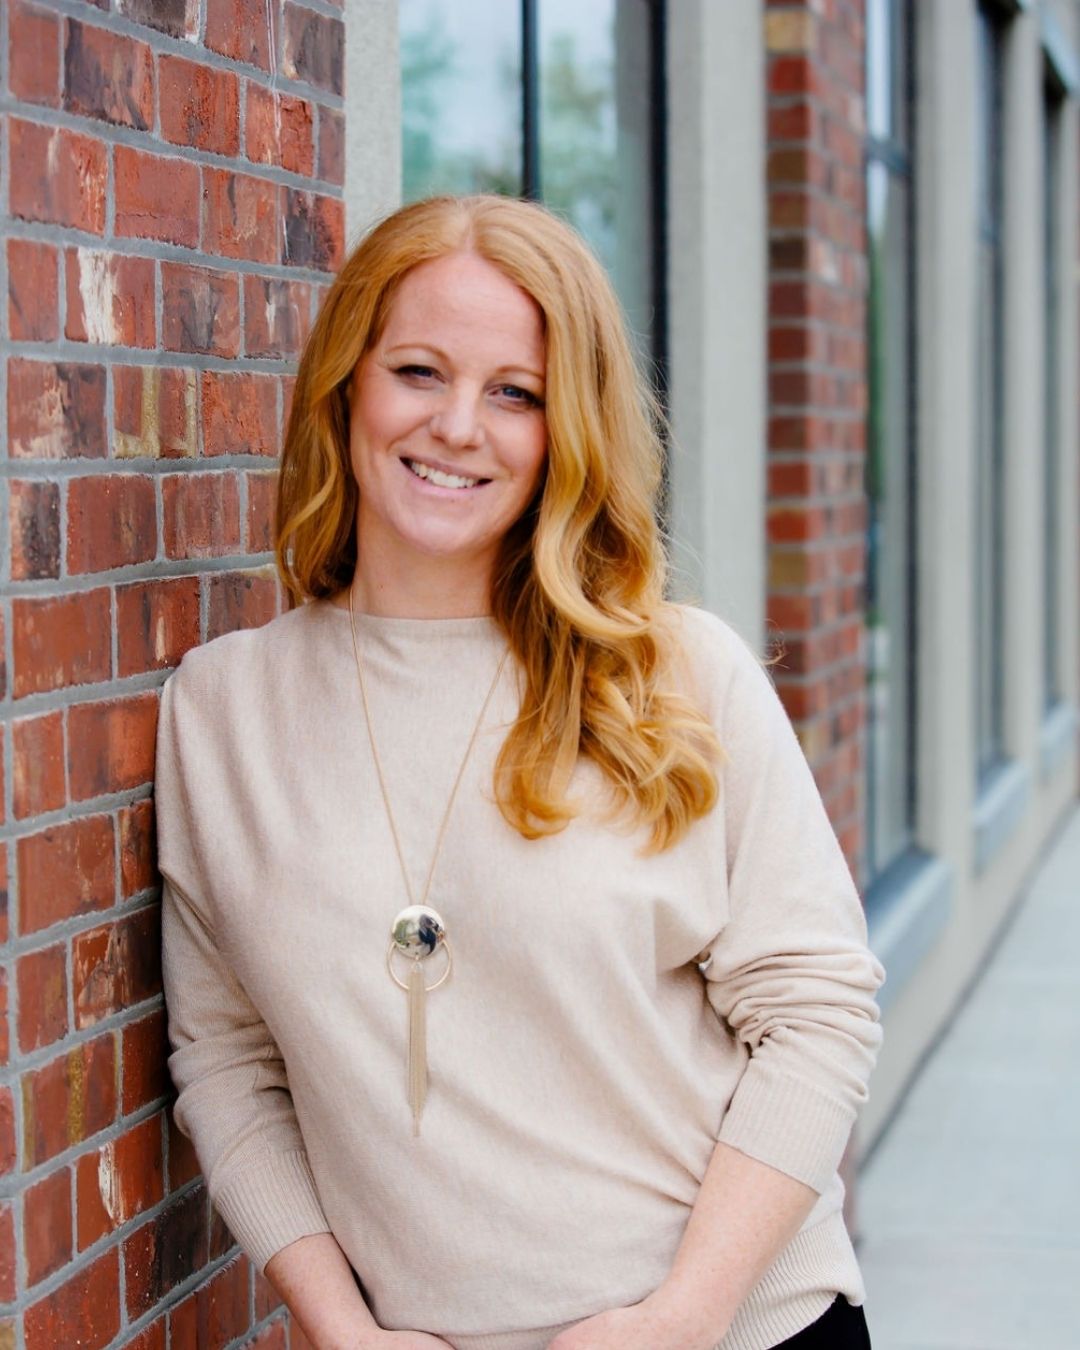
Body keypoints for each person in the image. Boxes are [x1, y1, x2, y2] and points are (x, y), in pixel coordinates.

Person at [157, 194, 884, 1350]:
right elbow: (228, 1063)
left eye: (516, 394)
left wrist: (685, 1318)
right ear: (346, 383)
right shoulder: (222, 709)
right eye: (418, 371)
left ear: (566, 429)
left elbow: (818, 1011)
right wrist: (343, 1330)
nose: (458, 426)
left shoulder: (679, 675)